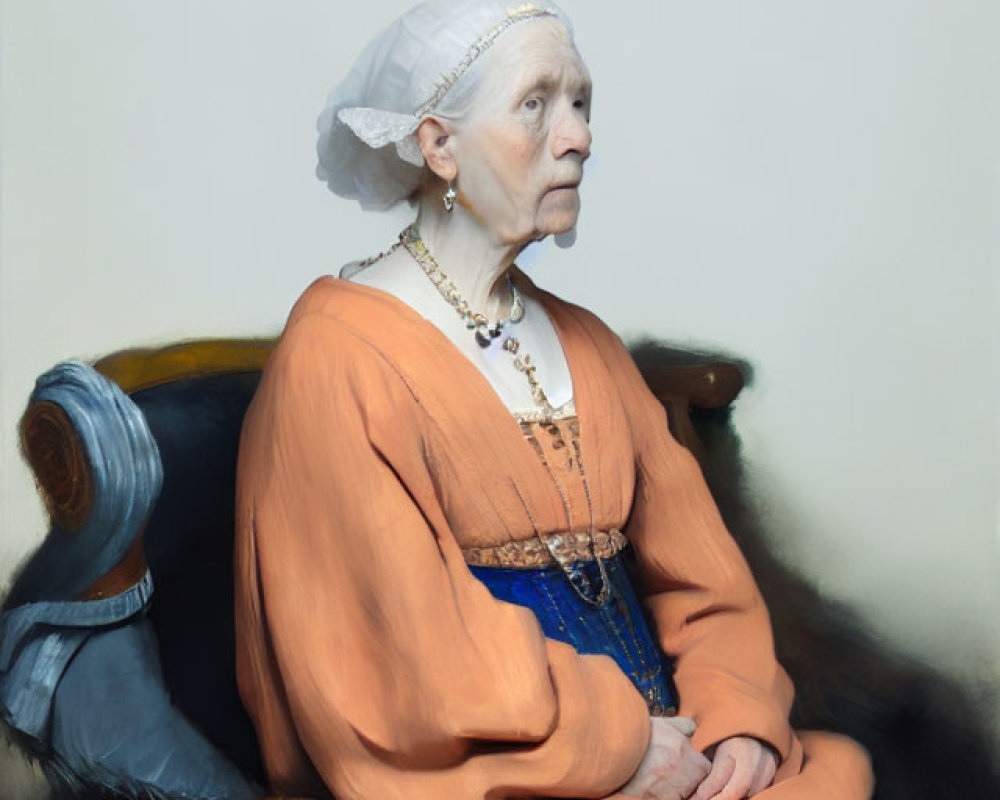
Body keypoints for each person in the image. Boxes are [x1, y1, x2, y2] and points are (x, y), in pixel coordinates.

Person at [233, 2, 873, 798]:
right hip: (496, 763)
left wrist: (737, 718)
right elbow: (404, 657)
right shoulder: (335, 354)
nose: (578, 137)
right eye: (535, 104)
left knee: (835, 769)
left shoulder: (588, 344)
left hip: (669, 737)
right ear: (438, 145)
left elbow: (705, 583)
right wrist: (622, 743)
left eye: (580, 103)